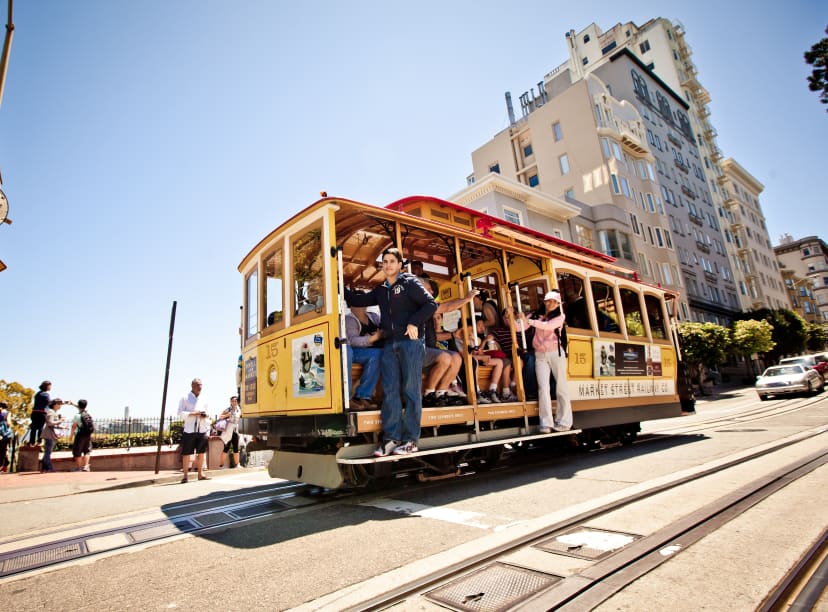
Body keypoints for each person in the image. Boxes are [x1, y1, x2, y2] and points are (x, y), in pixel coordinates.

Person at [345, 247, 437, 456]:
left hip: (410, 344)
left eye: (391, 261)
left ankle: (411, 441)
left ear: (399, 265)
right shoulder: (382, 290)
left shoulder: (410, 282)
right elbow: (358, 301)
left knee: (411, 391)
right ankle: (391, 439)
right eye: (384, 262)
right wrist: (338, 283)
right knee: (390, 393)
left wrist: (414, 322)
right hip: (390, 346)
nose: (387, 265)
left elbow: (430, 304)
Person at [516, 290, 572, 433]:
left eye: (553, 301)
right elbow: (519, 328)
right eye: (548, 301)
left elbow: (547, 326)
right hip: (540, 355)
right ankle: (546, 423)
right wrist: (517, 318)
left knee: (561, 387)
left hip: (556, 353)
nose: (550, 303)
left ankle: (564, 422)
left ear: (558, 303)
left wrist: (528, 321)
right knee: (543, 388)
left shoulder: (560, 316)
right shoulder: (536, 315)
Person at [421, 279, 476, 407]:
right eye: (428, 289)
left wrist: (452, 335)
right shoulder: (420, 305)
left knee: (456, 357)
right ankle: (428, 395)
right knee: (445, 357)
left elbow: (434, 337)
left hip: (429, 350)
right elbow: (448, 306)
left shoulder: (427, 306)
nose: (432, 291)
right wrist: (466, 299)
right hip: (415, 351)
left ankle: (441, 392)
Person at [344, 304, 383, 410]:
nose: (361, 305)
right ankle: (348, 399)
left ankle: (363, 396)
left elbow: (383, 328)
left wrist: (381, 334)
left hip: (370, 351)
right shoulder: (349, 319)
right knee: (347, 352)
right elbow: (352, 341)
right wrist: (373, 338)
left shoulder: (373, 316)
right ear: (351, 306)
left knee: (379, 354)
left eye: (363, 302)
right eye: (357, 302)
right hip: (354, 352)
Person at [178, 378, 212, 482]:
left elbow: (208, 413)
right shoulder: (185, 398)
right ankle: (185, 476)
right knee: (187, 453)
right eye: (198, 385)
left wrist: (204, 415)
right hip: (189, 429)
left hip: (202, 429)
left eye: (201, 385)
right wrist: (194, 413)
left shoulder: (204, 398)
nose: (200, 387)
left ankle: (200, 474)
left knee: (201, 452)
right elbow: (180, 413)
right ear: (192, 386)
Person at [40, 398, 65, 473]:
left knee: (48, 451)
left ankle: (45, 467)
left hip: (50, 434)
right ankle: (48, 467)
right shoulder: (51, 412)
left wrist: (62, 426)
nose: (60, 406)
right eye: (58, 404)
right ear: (54, 405)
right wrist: (60, 421)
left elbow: (52, 424)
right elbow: (50, 423)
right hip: (49, 434)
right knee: (48, 452)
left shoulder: (53, 412)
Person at [217, 395, 242, 468]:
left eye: (235, 401)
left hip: (236, 430)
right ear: (230, 402)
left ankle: (237, 464)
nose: (234, 402)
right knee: (226, 447)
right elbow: (220, 416)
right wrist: (228, 414)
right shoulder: (228, 409)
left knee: (236, 448)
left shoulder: (239, 410)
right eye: (233, 401)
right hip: (228, 430)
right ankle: (221, 465)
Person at [69, 399, 93, 472]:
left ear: (78, 405)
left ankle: (79, 468)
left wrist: (71, 436)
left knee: (77, 451)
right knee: (87, 451)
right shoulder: (87, 414)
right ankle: (86, 466)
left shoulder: (77, 416)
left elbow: (74, 426)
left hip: (80, 435)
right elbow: (81, 408)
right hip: (88, 434)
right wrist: (73, 404)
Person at [28, 380, 51, 446]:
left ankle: (31, 442)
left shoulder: (37, 394)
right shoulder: (46, 394)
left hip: (34, 412)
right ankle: (39, 441)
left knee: (34, 428)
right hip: (42, 413)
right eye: (49, 386)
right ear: (47, 386)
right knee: (41, 427)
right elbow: (49, 403)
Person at [0, 402, 12, 473]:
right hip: (6, 434)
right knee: (3, 450)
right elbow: (9, 423)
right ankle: (4, 465)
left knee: (2, 450)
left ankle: (4, 464)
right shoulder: (7, 413)